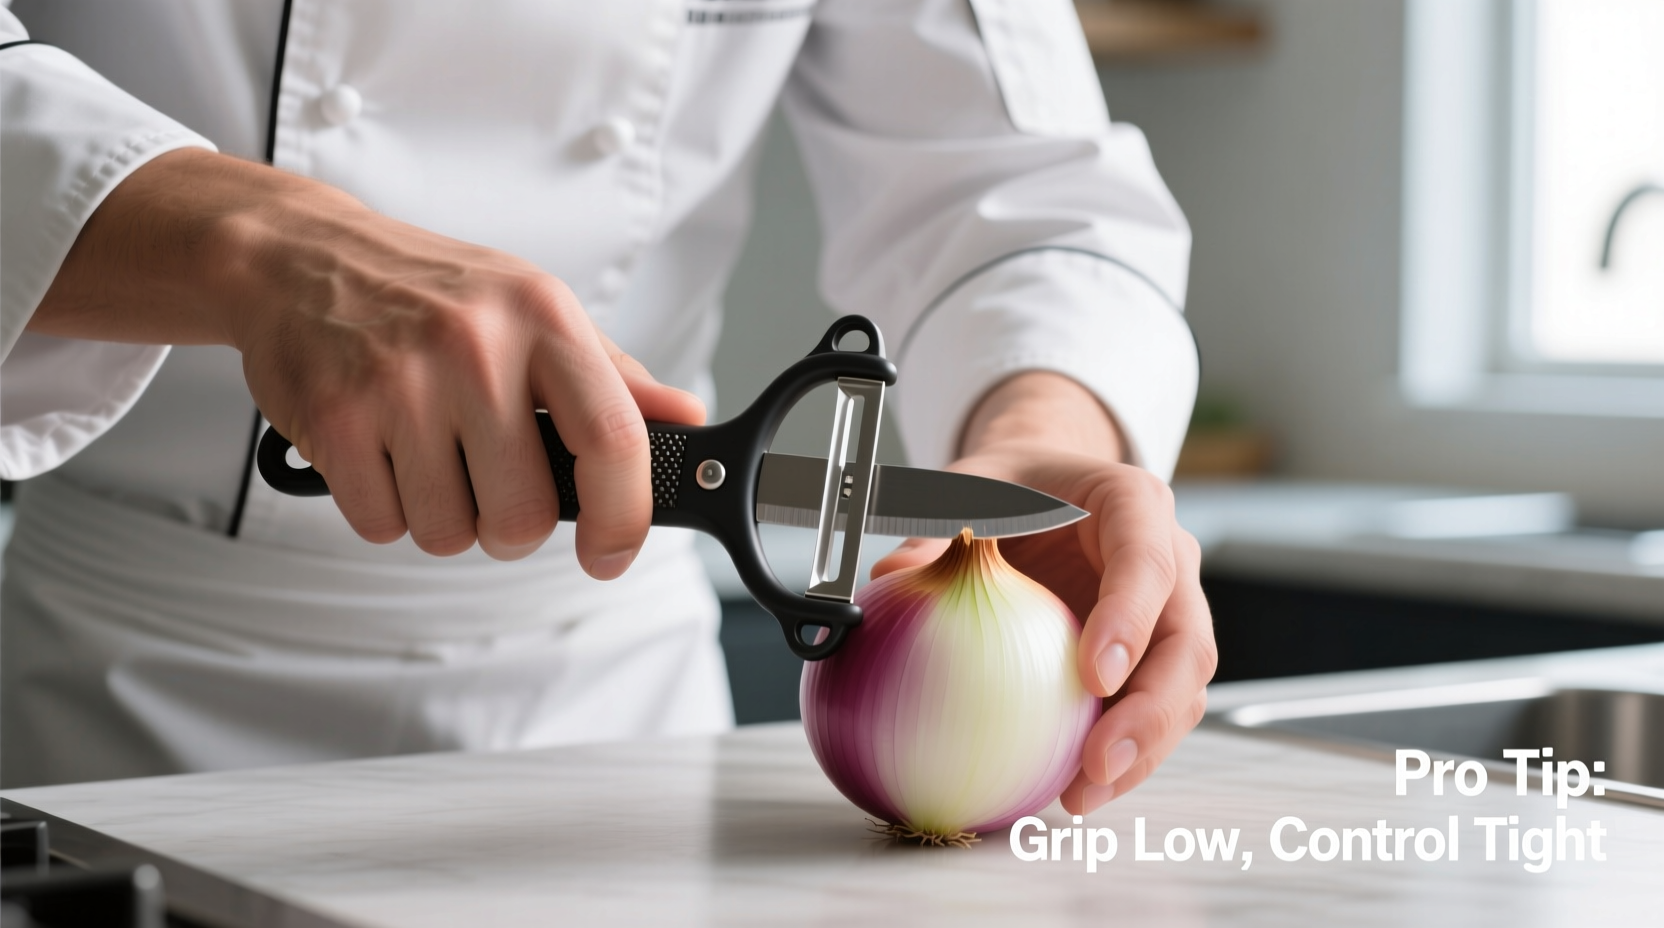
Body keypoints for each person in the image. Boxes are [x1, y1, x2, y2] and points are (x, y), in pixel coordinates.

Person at [0, 0, 1214, 813]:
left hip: (616, 731)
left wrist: (1048, 438)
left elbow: (1014, 182)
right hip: (122, 709)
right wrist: (247, 238)